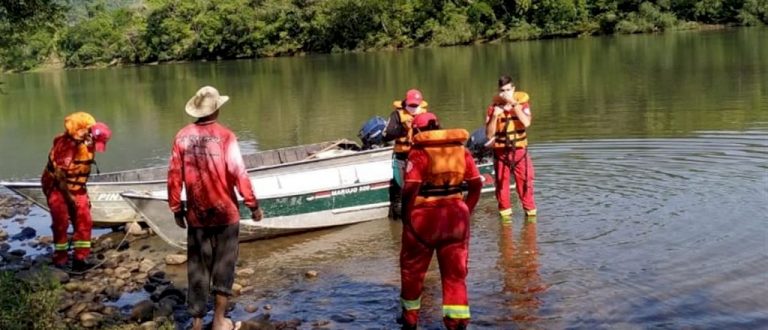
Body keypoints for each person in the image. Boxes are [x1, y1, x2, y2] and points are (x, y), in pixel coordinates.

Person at [167, 86, 263, 330]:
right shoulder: (226, 136)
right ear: (217, 109)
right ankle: (220, 321)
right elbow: (238, 172)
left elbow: (173, 176)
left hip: (197, 215)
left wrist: (177, 209)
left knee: (198, 267)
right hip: (225, 213)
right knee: (224, 266)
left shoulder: (182, 136)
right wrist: (253, 205)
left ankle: (197, 322)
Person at [399, 112, 483, 330]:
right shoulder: (461, 150)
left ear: (417, 131)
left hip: (423, 220)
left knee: (412, 272)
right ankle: (457, 323)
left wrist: (406, 217)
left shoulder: (418, 153)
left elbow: (410, 189)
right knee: (455, 276)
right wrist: (467, 210)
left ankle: (410, 320)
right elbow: (476, 185)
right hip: (456, 218)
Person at [41, 112, 111, 271]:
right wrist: (70, 198)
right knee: (61, 221)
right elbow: (60, 176)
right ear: (85, 132)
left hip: (77, 187)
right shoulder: (66, 147)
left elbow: (81, 173)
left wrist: (82, 196)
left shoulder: (87, 142)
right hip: (57, 187)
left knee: (84, 219)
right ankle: (60, 258)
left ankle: (81, 257)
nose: (95, 145)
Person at [485, 75, 537, 220]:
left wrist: (513, 104)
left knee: (525, 184)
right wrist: (495, 116)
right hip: (501, 152)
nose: (505, 93)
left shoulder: (523, 105)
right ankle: (505, 221)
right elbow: (489, 135)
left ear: (513, 89)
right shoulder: (493, 108)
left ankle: (531, 218)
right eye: (503, 91)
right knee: (502, 187)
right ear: (499, 91)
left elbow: (526, 123)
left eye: (508, 90)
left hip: (519, 151)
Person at [382, 89, 429, 219]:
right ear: (406, 103)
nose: (413, 108)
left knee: (422, 186)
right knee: (399, 187)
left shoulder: (426, 115)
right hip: (402, 156)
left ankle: (421, 212)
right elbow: (386, 135)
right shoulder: (396, 115)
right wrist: (403, 129)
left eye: (415, 105)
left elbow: (436, 132)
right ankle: (398, 214)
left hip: (420, 156)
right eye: (411, 105)